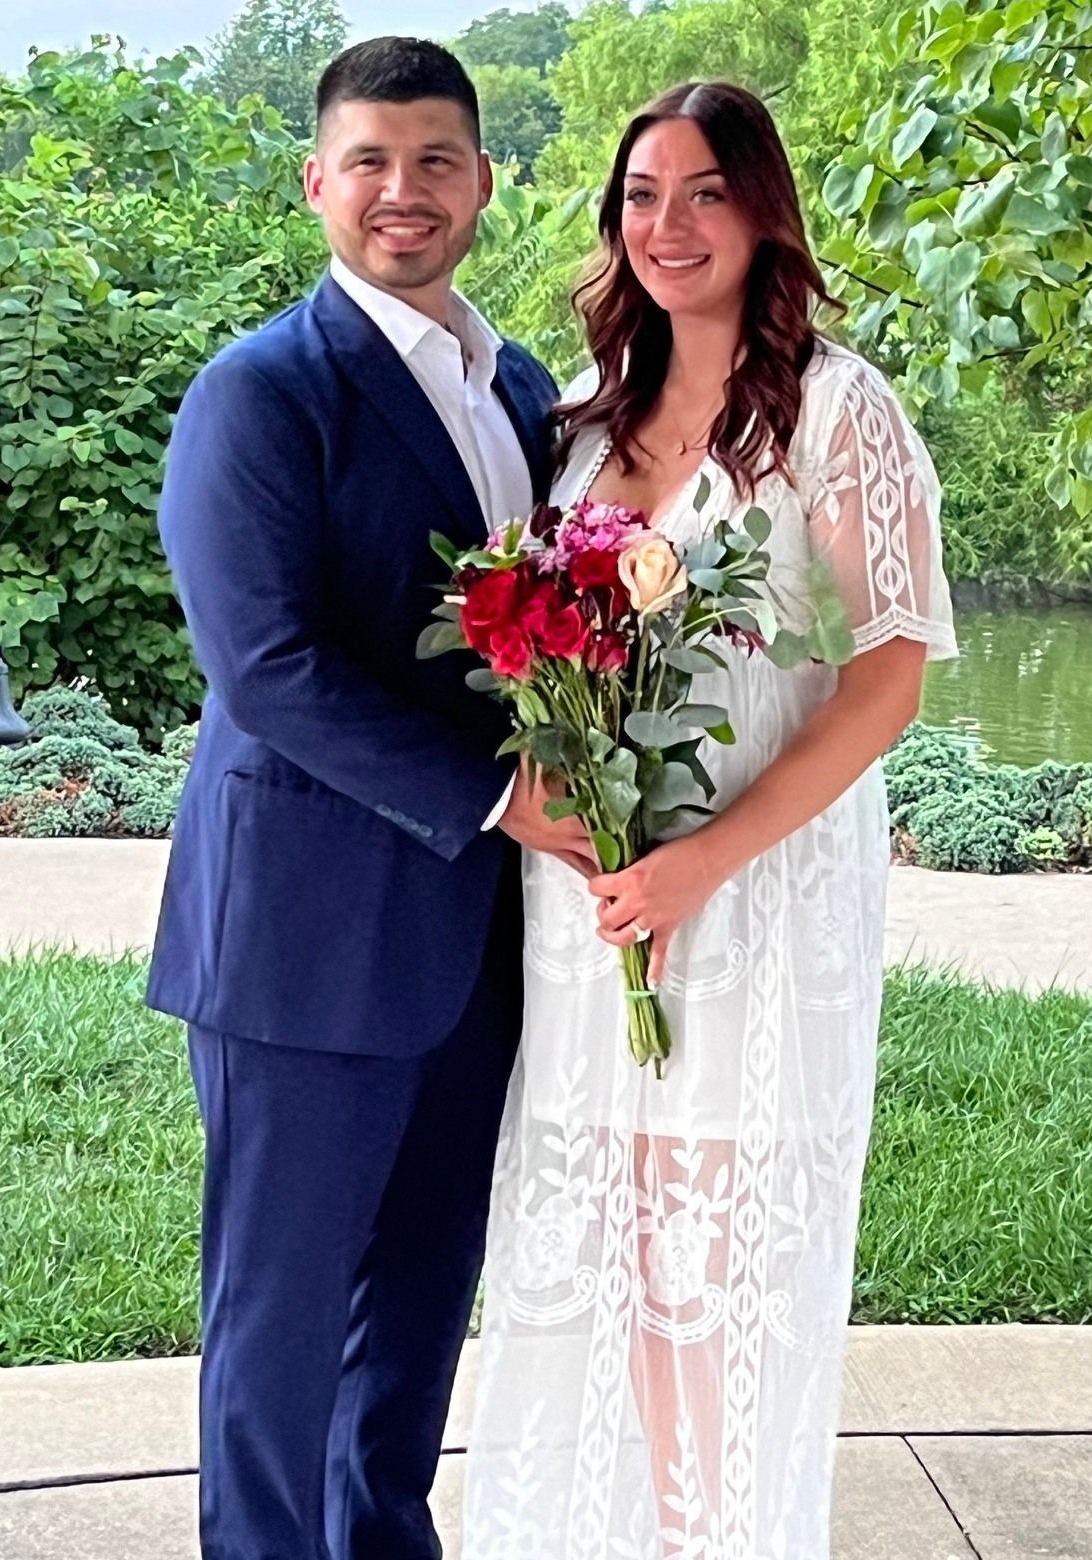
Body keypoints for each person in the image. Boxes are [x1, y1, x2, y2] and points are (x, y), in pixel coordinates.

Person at [462, 81, 957, 1557]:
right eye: (639, 196)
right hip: (596, 902)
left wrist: (702, 863)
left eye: (702, 193)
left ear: (761, 210)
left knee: (711, 1268)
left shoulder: (834, 408)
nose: (666, 226)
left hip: (751, 897)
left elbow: (887, 682)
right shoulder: (582, 415)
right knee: (603, 1249)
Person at [146, 37, 593, 1560]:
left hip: (471, 949)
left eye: (437, 160)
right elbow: (266, 668)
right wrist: (504, 798)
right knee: (276, 1334)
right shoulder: (261, 393)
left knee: (414, 1307)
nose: (404, 192)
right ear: (317, 182)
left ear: (483, 178)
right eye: (371, 162)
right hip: (302, 943)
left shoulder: (516, 384)